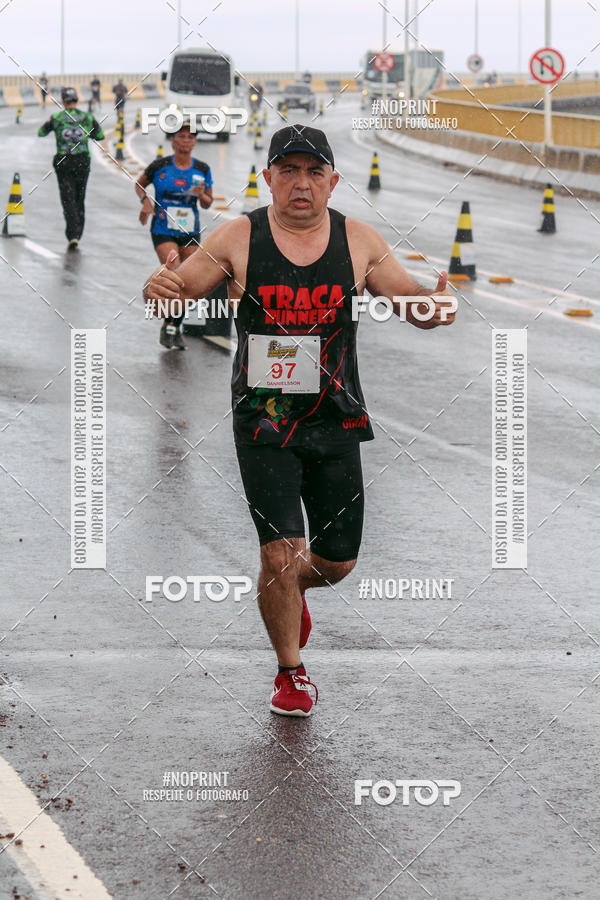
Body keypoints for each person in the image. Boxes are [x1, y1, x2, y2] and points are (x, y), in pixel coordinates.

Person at [144, 124, 456, 715]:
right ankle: (291, 672)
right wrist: (158, 287)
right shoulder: (239, 236)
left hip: (336, 418)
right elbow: (177, 293)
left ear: (333, 182)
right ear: (269, 179)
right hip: (263, 421)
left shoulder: (358, 239)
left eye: (314, 172)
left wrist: (432, 308)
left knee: (336, 561)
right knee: (278, 554)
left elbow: (409, 301)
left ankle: (289, 591)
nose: (301, 183)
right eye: (288, 170)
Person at [136, 121, 213, 350]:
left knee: (188, 281)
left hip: (189, 230)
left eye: (190, 137)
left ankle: (172, 325)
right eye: (182, 136)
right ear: (173, 140)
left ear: (194, 142)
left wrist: (201, 195)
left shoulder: (202, 169)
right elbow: (140, 185)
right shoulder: (160, 166)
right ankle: (170, 326)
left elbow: (208, 203)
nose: (186, 141)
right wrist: (145, 202)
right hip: (163, 228)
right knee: (176, 271)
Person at [37, 87, 104, 249]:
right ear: (76, 100)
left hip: (64, 161)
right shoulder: (87, 117)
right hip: (82, 161)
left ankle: (72, 233)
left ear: (63, 101)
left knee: (68, 198)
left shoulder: (56, 117)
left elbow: (41, 132)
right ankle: (78, 232)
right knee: (80, 197)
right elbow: (100, 136)